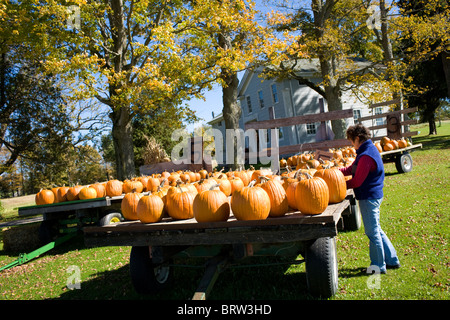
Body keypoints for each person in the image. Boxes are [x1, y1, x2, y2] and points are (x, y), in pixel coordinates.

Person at [340, 124, 401, 274]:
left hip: (368, 197)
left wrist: (338, 185)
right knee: (377, 230)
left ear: (358, 138)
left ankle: (378, 266)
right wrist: (336, 173)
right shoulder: (367, 150)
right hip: (373, 196)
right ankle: (392, 259)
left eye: (351, 141)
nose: (351, 144)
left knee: (372, 232)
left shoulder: (366, 156)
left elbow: (356, 181)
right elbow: (351, 169)